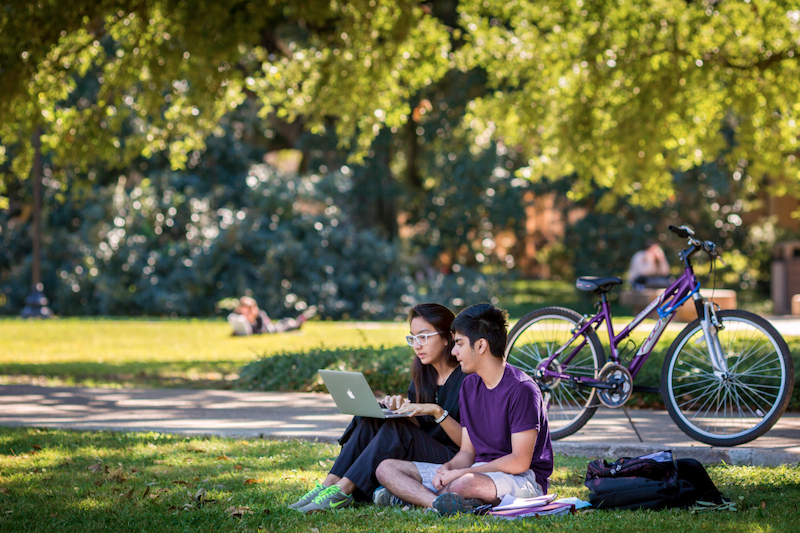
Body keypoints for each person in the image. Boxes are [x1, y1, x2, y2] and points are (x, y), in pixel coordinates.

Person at [374, 303, 553, 516]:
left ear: (480, 346)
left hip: (522, 478)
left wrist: (463, 473)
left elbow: (519, 461)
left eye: (459, 343)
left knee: (464, 484)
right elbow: (467, 451)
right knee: (386, 468)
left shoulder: (522, 389)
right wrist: (448, 468)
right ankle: (438, 503)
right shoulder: (469, 385)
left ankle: (417, 497)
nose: (454, 351)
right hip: (478, 470)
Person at [289, 303, 466, 513]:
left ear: (447, 338)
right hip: (425, 448)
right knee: (373, 417)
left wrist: (436, 411)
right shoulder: (424, 374)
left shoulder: (466, 378)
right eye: (412, 338)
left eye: (424, 337)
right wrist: (399, 410)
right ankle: (328, 485)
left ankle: (342, 491)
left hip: (452, 457)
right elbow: (421, 427)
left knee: (397, 430)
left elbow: (467, 444)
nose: (417, 345)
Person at [227, 296, 313, 335]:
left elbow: (262, 330)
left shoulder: (260, 316)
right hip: (275, 327)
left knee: (290, 325)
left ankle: (302, 318)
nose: (245, 315)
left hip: (276, 329)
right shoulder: (244, 321)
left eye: (247, 313)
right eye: (243, 313)